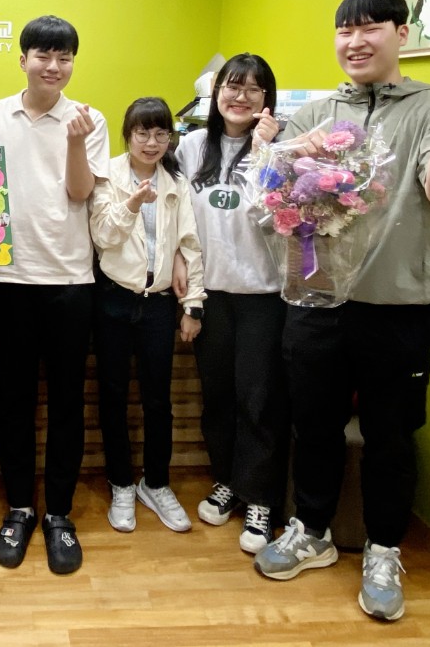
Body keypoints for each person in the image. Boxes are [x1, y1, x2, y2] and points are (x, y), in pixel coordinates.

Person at [253, 0, 430, 623]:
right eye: (344, 31)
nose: (355, 42)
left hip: (398, 305)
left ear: (401, 34)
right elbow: (274, 202)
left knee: (391, 433)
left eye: (370, 28)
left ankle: (384, 549)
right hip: (315, 301)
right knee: (315, 423)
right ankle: (312, 530)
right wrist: (281, 155)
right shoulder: (316, 112)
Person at [0, 15, 109, 575]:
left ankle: (59, 512)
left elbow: (80, 193)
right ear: (23, 60)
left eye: (64, 58)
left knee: (65, 401)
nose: (53, 66)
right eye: (43, 55)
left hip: (70, 281)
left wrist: (75, 142)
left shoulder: (89, 119)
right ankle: (19, 508)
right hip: (7, 279)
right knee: (12, 399)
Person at [173, 54, 289, 555]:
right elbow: (175, 211)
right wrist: (177, 260)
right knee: (218, 396)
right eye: (231, 86)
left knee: (258, 400)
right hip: (210, 293)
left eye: (252, 89)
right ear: (215, 92)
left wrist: (264, 151)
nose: (240, 97)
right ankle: (227, 480)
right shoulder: (191, 146)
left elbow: (280, 217)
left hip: (263, 294)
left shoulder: (282, 150)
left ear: (267, 99)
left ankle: (260, 497)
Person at [89, 97, 204, 534]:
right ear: (128, 135)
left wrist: (192, 305)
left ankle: (155, 482)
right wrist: (134, 202)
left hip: (158, 303)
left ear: (170, 138)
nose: (151, 142)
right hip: (113, 300)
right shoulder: (108, 174)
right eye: (143, 133)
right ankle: (121, 483)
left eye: (160, 134)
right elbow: (103, 236)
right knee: (113, 396)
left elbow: (189, 243)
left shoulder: (175, 181)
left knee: (158, 399)